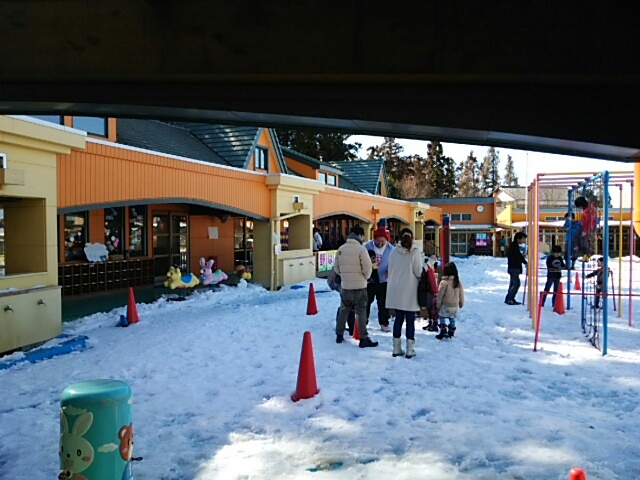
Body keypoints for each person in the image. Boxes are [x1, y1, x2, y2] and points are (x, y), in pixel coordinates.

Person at [333, 225, 378, 348]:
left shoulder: (341, 249)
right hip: (360, 286)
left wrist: (345, 276)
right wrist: (365, 278)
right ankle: (363, 338)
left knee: (344, 310)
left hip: (345, 286)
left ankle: (339, 334)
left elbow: (336, 268)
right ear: (361, 235)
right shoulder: (361, 249)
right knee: (361, 312)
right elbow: (368, 268)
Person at [386, 228, 423, 358]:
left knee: (398, 319)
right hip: (410, 290)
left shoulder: (394, 252)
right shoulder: (415, 252)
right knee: (410, 321)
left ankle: (396, 348)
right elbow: (418, 272)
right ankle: (410, 349)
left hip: (397, 290)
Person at [364, 227, 394, 332]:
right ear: (374, 239)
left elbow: (394, 263)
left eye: (382, 241)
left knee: (383, 302)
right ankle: (363, 322)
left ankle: (384, 322)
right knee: (366, 301)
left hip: (384, 280)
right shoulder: (367, 246)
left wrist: (391, 270)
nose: (380, 243)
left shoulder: (391, 249)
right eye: (378, 241)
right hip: (370, 280)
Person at [435, 262, 465, 339]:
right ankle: (452, 330)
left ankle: (443, 329)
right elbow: (461, 294)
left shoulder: (444, 282)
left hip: (446, 305)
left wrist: (438, 305)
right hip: (454, 306)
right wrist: (461, 303)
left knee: (441, 316)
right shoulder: (458, 282)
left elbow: (440, 295)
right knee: (452, 318)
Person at [504, 232, 528, 305]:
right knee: (516, 284)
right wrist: (524, 262)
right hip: (513, 267)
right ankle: (510, 298)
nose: (524, 240)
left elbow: (519, 256)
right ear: (518, 239)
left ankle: (509, 298)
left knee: (512, 284)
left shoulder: (515, 246)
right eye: (523, 239)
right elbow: (518, 256)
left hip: (514, 267)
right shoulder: (514, 246)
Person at [419, 255, 440, 332]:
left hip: (428, 291)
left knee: (430, 309)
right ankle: (433, 323)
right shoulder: (430, 270)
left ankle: (432, 323)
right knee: (433, 309)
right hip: (431, 292)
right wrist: (435, 291)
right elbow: (433, 282)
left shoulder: (427, 269)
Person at [366, 249, 380, 321]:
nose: (374, 260)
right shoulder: (366, 266)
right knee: (366, 305)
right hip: (368, 288)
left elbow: (376, 276)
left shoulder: (374, 265)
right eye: (373, 258)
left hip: (374, 287)